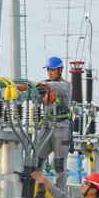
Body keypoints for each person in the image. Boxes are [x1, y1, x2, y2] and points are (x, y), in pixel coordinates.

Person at [37, 56, 72, 189]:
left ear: (60, 70)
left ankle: (60, 197)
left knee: (59, 164)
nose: (50, 73)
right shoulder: (44, 84)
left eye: (53, 70)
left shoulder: (66, 85)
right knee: (37, 159)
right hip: (46, 128)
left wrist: (41, 85)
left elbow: (52, 86)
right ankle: (39, 191)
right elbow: (41, 86)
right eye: (48, 70)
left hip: (61, 129)